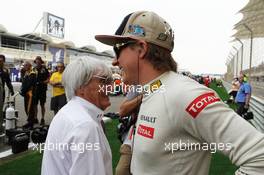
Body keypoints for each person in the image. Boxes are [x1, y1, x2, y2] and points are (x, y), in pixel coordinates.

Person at [95, 11, 264, 175]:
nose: (115, 61)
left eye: (117, 49)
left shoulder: (184, 94)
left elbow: (259, 157)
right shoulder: (154, 89)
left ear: (141, 48)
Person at [41, 57, 113, 175]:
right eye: (104, 81)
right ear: (81, 87)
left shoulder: (69, 112)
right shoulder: (85, 125)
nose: (110, 86)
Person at [115, 87, 142, 175]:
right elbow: (122, 110)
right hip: (132, 139)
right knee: (121, 171)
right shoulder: (139, 85)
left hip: (157, 140)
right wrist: (143, 96)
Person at [33, 56, 49, 125]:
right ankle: (35, 118)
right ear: (35, 62)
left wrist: (45, 81)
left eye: (39, 61)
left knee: (42, 105)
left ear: (41, 62)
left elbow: (49, 77)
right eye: (37, 61)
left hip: (42, 89)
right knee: (35, 105)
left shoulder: (44, 69)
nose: (38, 62)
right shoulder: (33, 69)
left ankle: (42, 118)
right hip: (35, 90)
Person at [20, 61, 37, 129]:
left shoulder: (32, 74)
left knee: (30, 109)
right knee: (26, 108)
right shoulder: (26, 73)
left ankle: (31, 124)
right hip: (26, 94)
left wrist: (23, 91)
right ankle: (29, 121)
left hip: (30, 94)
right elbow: (23, 83)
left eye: (26, 65)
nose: (24, 67)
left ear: (29, 66)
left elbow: (29, 84)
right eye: (24, 65)